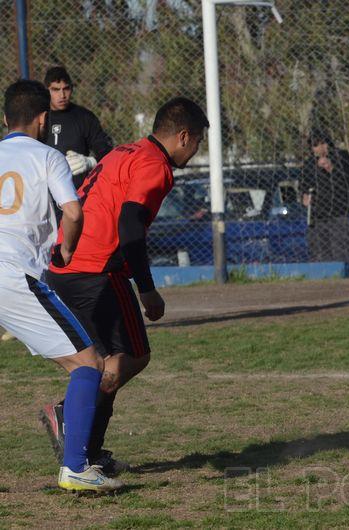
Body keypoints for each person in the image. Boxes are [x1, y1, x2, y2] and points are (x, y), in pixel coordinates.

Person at [41, 97, 209, 475]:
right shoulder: (155, 165)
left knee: (100, 361)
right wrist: (147, 287)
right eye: (197, 141)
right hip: (96, 269)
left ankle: (88, 452)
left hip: (65, 264)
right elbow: (130, 225)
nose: (196, 151)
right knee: (131, 356)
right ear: (183, 136)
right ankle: (70, 418)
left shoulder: (124, 152)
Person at [0, 79, 121, 492]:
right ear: (43, 118)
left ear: (3, 119)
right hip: (14, 273)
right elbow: (73, 211)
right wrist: (66, 249)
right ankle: (76, 468)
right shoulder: (48, 156)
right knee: (89, 364)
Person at [44, 66, 113, 189]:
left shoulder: (84, 117)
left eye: (66, 89)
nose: (62, 95)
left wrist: (90, 162)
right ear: (46, 91)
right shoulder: (39, 117)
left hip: (78, 191)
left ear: (72, 88)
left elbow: (106, 152)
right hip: (45, 191)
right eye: (55, 89)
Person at [300, 130, 349, 262]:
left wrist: (331, 168)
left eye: (323, 143)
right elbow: (303, 187)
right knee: (319, 254)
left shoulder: (342, 158)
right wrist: (304, 198)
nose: (320, 148)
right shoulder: (309, 164)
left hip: (339, 213)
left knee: (341, 254)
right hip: (318, 216)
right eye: (316, 145)